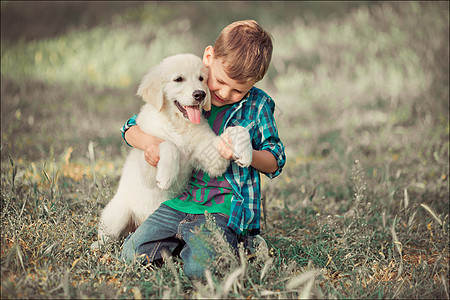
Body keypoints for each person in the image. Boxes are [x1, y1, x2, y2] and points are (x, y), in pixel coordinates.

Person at [119, 20, 286, 279]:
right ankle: (191, 243)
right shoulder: (192, 88)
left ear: (252, 86)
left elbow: (276, 160)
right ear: (209, 58)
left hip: (224, 208)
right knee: (130, 255)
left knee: (199, 271)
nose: (223, 93)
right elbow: (130, 126)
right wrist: (151, 144)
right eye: (219, 81)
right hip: (180, 200)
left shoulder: (258, 106)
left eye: (238, 90)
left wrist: (249, 154)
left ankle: (237, 244)